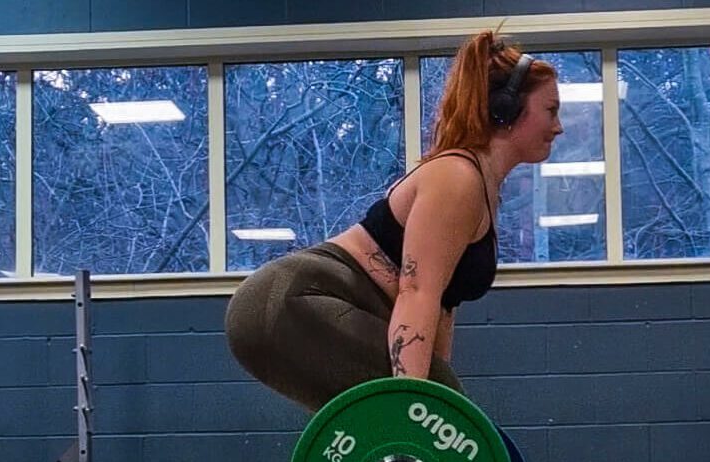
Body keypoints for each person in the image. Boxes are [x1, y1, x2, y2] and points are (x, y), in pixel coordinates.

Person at [226, 30, 562, 413]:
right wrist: (416, 410)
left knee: (439, 404)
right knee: (430, 405)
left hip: (300, 307)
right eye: (551, 110)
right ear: (506, 109)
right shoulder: (457, 178)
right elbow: (416, 294)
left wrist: (431, 400)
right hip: (286, 303)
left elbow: (440, 307)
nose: (559, 126)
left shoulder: (482, 186)